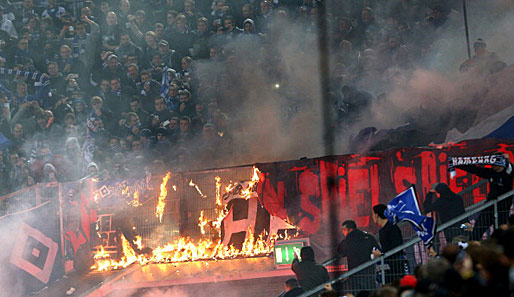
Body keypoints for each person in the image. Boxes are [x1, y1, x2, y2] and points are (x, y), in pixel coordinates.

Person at [454, 153, 513, 240]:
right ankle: (473, 248)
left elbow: (510, 169)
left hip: (503, 208)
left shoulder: (509, 172)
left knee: (501, 233)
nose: (492, 166)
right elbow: (475, 170)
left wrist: (508, 161)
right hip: (489, 206)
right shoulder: (491, 173)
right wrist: (457, 164)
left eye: (494, 164)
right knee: (477, 230)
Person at [336, 220, 379, 291]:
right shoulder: (368, 236)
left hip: (354, 273)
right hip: (369, 272)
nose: (343, 232)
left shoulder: (348, 240)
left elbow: (340, 251)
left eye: (344, 230)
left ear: (350, 230)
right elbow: (377, 250)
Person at [372, 204, 408, 284]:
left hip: (396, 265)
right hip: (388, 266)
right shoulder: (382, 230)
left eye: (373, 214)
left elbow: (397, 246)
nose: (372, 217)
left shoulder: (392, 228)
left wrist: (381, 253)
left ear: (377, 215)